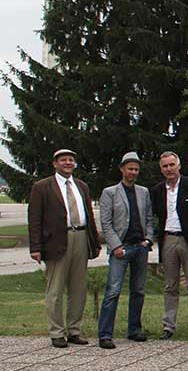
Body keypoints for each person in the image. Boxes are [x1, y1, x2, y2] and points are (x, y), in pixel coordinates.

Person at [28, 148, 101, 348]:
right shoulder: (42, 187)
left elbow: (88, 216)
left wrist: (93, 242)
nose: (68, 163)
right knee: (55, 290)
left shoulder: (82, 186)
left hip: (81, 237)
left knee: (78, 289)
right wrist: (36, 247)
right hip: (56, 241)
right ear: (55, 163)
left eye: (70, 160)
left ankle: (74, 330)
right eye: (63, 160)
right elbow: (34, 219)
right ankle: (57, 332)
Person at [97, 152, 155, 349]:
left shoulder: (143, 192)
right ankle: (105, 334)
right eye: (130, 168)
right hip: (121, 248)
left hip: (140, 247)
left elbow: (148, 218)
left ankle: (134, 329)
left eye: (136, 169)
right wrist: (116, 246)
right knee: (113, 291)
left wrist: (148, 239)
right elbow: (106, 222)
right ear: (122, 169)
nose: (133, 172)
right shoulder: (110, 192)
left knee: (138, 291)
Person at [150, 151, 188, 340]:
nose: (169, 169)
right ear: (161, 169)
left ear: (178, 165)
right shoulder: (157, 190)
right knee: (170, 285)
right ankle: (168, 326)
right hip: (168, 239)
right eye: (165, 166)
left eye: (172, 165)